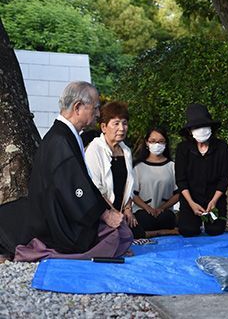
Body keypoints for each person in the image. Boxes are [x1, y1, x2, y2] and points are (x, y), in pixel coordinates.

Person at [0, 81, 132, 262]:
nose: (98, 114)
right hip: (56, 223)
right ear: (78, 107)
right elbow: (74, 187)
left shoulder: (63, 134)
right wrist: (105, 214)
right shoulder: (60, 140)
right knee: (117, 234)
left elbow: (79, 181)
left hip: (58, 211)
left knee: (120, 230)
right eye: (95, 108)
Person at [175, 104, 228, 237]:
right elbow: (181, 180)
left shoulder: (222, 147)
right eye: (196, 127)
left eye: (204, 126)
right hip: (190, 198)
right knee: (188, 230)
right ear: (190, 131)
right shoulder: (183, 149)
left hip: (214, 198)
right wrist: (191, 203)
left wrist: (214, 201)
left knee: (215, 230)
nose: (201, 130)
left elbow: (225, 177)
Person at [85, 102, 137, 234]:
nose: (122, 128)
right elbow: (96, 189)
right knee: (118, 239)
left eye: (125, 123)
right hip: (102, 212)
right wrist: (113, 214)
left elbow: (129, 184)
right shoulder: (94, 149)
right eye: (116, 123)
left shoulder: (126, 151)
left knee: (136, 233)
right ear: (103, 127)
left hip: (120, 211)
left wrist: (127, 209)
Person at [132, 127, 179, 238]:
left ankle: (159, 231)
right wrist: (148, 208)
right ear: (147, 143)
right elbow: (133, 194)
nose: (157, 144)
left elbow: (178, 193)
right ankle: (164, 232)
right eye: (153, 141)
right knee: (144, 220)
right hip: (143, 212)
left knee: (166, 218)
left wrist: (162, 208)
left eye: (161, 141)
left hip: (164, 212)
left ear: (166, 143)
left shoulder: (172, 166)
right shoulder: (138, 167)